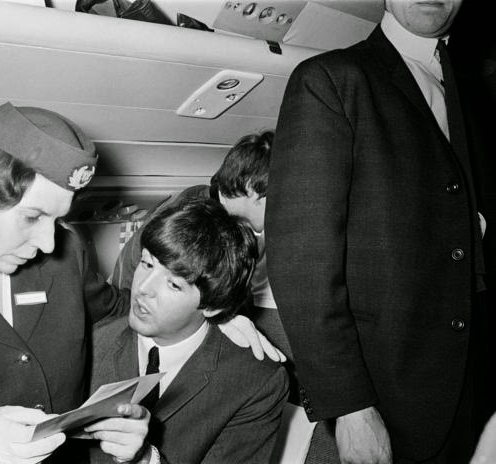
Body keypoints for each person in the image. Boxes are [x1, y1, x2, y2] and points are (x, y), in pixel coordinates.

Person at [0, 102, 276, 464]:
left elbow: (120, 305)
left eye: (58, 218)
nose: (50, 240)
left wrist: (218, 316)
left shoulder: (61, 257)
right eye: (33, 217)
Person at [265, 0, 495, 463]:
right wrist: (350, 408)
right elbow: (303, 262)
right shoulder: (331, 80)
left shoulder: (470, 94)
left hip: (469, 385)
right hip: (386, 398)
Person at [91, 198, 289, 464]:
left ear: (212, 304)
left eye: (173, 284)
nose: (143, 289)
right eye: (147, 264)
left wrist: (144, 460)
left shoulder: (255, 383)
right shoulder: (91, 344)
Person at [112, 131, 290, 362]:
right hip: (137, 316)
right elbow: (147, 287)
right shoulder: (189, 213)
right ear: (252, 190)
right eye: (280, 200)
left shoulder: (243, 231)